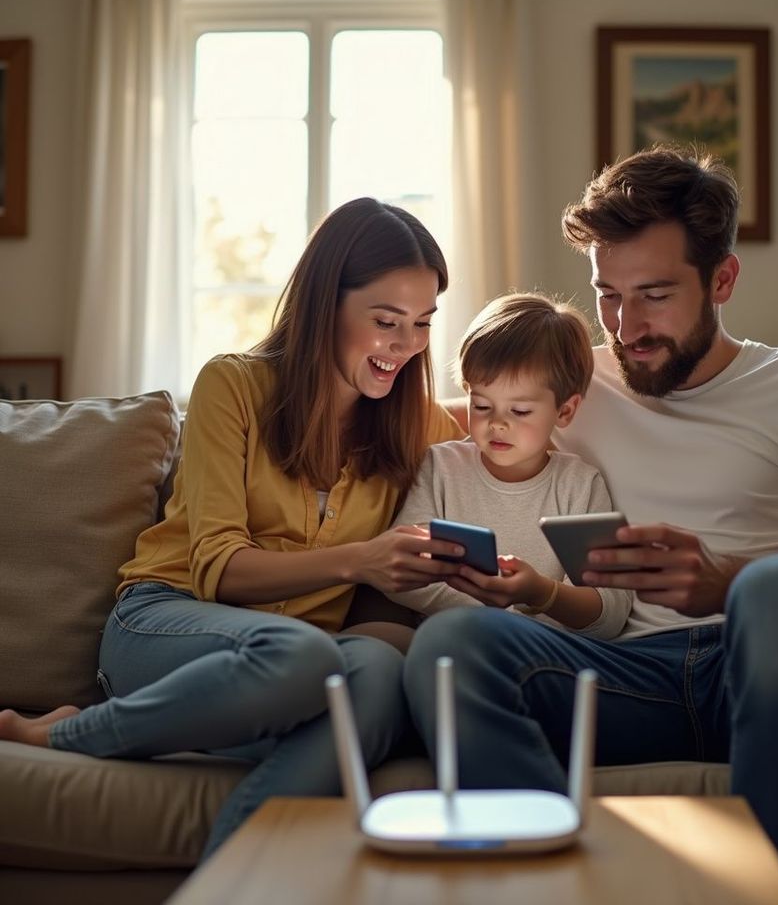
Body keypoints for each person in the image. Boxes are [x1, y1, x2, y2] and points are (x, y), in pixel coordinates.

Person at [402, 147, 778, 904]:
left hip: (769, 667)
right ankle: (561, 891)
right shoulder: (566, 383)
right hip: (620, 675)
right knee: (452, 647)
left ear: (722, 280)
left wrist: (728, 585)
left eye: (655, 296)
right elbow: (436, 425)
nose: (627, 326)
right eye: (608, 295)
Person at [0, 197, 467, 859]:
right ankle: (70, 734)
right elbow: (219, 568)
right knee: (306, 658)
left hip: (304, 665)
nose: (407, 344)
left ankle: (233, 881)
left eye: (422, 323)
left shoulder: (424, 428)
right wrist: (360, 560)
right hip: (167, 620)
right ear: (325, 306)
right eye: (386, 321)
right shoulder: (234, 386)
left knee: (375, 677)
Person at [386, 292, 632, 638]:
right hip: (451, 642)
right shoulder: (439, 467)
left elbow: (611, 611)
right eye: (482, 406)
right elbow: (401, 571)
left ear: (564, 411)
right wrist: (495, 615)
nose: (497, 424)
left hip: (543, 649)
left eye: (519, 411)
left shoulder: (579, 484)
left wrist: (541, 595)